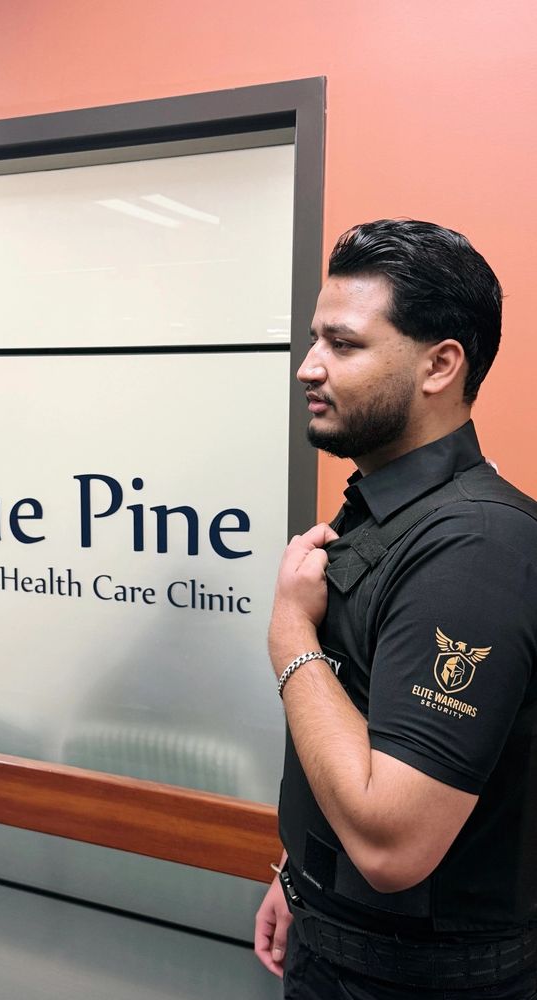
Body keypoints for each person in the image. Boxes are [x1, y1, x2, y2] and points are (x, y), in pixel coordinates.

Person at [254, 219, 537, 999]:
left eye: (343, 345)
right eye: (315, 339)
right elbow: (355, 717)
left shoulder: (477, 548)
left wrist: (289, 639)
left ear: (440, 364)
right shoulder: (382, 510)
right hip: (333, 939)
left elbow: (392, 844)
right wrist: (301, 876)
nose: (309, 367)